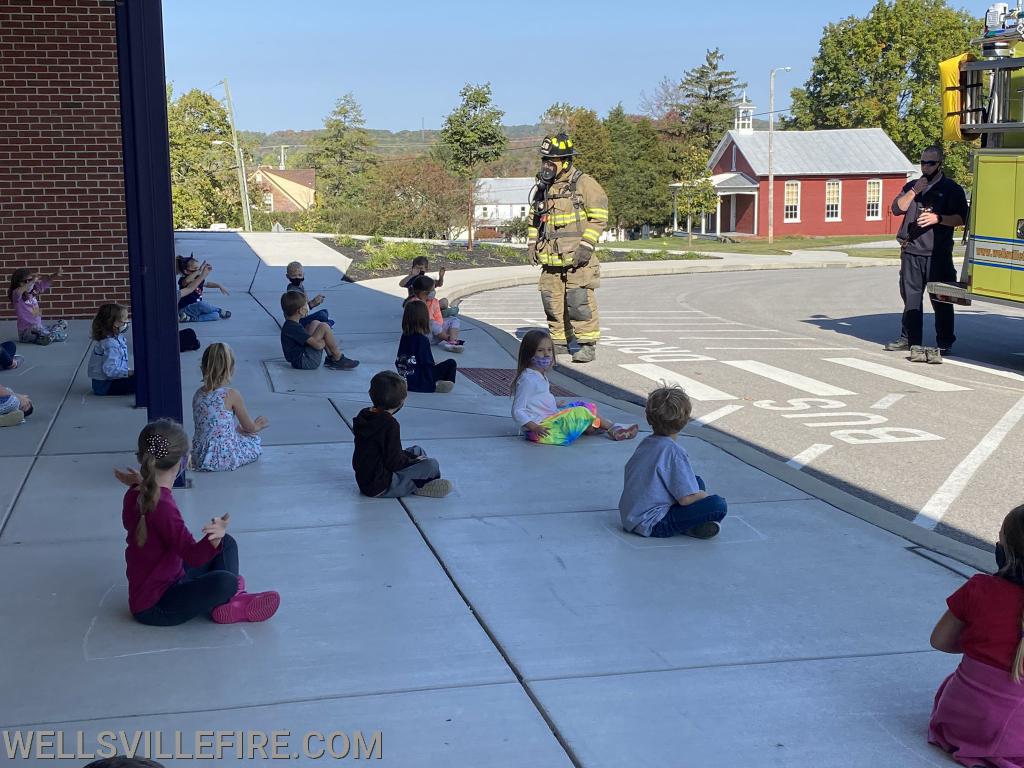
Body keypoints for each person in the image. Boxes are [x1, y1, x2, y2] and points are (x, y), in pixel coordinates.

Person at [114, 419, 280, 625]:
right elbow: (193, 556)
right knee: (226, 581)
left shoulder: (137, 493)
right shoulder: (163, 506)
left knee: (226, 543)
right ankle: (233, 600)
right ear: (183, 462)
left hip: (165, 578)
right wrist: (213, 537)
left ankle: (231, 599)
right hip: (157, 606)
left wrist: (218, 539)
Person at [928, 505, 1024, 766]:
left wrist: (984, 642)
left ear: (1006, 550)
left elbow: (939, 641)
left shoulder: (979, 588)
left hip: (956, 721)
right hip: (1012, 739)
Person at [527, 133, 608, 363]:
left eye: (551, 161)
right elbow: (534, 218)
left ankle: (587, 344)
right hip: (551, 258)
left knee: (579, 300)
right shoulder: (543, 187)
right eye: (545, 160)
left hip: (577, 259)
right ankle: (559, 342)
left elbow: (599, 217)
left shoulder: (584, 184)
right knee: (551, 300)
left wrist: (586, 245)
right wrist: (532, 243)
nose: (547, 165)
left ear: (566, 162)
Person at [886, 144, 969, 363]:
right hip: (911, 250)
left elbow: (962, 219)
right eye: (922, 162)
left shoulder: (952, 189)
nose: (925, 166)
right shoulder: (912, 186)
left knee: (940, 300)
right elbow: (897, 209)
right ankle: (910, 339)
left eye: (930, 163)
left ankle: (944, 342)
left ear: (940, 164)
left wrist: (938, 218)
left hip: (937, 254)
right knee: (911, 299)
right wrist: (914, 191)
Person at [619, 385, 727, 539]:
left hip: (632, 515)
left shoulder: (646, 443)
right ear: (685, 420)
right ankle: (689, 526)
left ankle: (691, 525)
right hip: (654, 523)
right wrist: (704, 496)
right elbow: (685, 499)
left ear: (649, 418)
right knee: (717, 504)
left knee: (696, 481)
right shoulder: (674, 452)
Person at [511, 329, 637, 445]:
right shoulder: (528, 379)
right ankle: (613, 428)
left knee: (583, 407)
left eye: (549, 350)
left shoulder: (538, 375)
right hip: (543, 430)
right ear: (529, 353)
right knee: (582, 412)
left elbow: (537, 399)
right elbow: (518, 410)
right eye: (540, 350)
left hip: (548, 422)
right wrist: (534, 427)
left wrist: (554, 402)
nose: (546, 354)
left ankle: (604, 428)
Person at [352, 370, 452, 498]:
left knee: (417, 450)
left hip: (366, 478)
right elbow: (394, 462)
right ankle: (417, 485)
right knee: (431, 465)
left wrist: (412, 457)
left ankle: (413, 484)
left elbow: (386, 453)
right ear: (400, 403)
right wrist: (412, 461)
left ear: (371, 393)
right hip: (380, 485)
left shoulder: (365, 414)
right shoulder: (389, 424)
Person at [192, 342, 265, 471]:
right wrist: (258, 426)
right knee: (254, 440)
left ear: (203, 367)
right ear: (230, 369)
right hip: (224, 456)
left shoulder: (198, 394)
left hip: (201, 455)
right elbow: (249, 427)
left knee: (239, 433)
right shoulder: (231, 394)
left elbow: (210, 425)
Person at [279, 291, 358, 371]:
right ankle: (338, 357)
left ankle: (331, 357)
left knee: (315, 323)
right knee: (324, 327)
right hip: (305, 361)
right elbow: (318, 345)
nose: (307, 307)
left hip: (300, 357)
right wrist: (324, 339)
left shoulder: (290, 323)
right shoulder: (294, 328)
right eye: (305, 305)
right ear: (300, 311)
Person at [396, 300, 456, 393]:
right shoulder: (422, 340)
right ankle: (438, 384)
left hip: (406, 377)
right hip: (420, 380)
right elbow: (427, 364)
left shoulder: (405, 336)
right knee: (451, 363)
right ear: (424, 319)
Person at [8, 267, 67, 344]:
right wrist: (32, 281)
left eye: (31, 279)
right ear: (19, 283)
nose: (30, 283)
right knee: (36, 328)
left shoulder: (33, 292)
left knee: (63, 323)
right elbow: (19, 292)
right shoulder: (17, 297)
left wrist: (55, 275)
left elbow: (45, 282)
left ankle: (49, 336)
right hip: (26, 332)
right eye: (27, 281)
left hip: (39, 327)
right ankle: (51, 335)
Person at [89, 303, 135, 396]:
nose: (127, 322)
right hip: (105, 386)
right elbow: (110, 370)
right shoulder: (110, 344)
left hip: (109, 381)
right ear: (113, 323)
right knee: (141, 381)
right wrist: (128, 372)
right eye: (124, 319)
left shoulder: (117, 338)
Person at [409, 276, 462, 352]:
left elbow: (438, 317)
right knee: (431, 322)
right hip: (424, 336)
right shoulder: (415, 304)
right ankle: (448, 339)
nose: (434, 292)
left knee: (454, 320)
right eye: (432, 290)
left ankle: (452, 342)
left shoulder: (433, 301)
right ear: (424, 292)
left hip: (438, 333)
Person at [176, 255, 231, 322]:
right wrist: (199, 271)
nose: (199, 271)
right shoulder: (183, 280)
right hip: (185, 308)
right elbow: (186, 281)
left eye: (199, 268)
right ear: (186, 271)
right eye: (195, 269)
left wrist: (219, 285)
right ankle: (218, 310)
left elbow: (207, 284)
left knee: (215, 315)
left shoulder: (198, 279)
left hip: (197, 309)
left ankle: (190, 318)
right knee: (202, 304)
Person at [286, 260, 334, 328]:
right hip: (297, 322)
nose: (297, 278)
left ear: (303, 275)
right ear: (288, 276)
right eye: (294, 276)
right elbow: (298, 312)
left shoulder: (300, 287)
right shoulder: (293, 291)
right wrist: (313, 303)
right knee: (322, 315)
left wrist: (315, 301)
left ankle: (325, 323)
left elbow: (306, 303)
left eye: (300, 275)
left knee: (325, 311)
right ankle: (325, 324)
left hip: (302, 318)